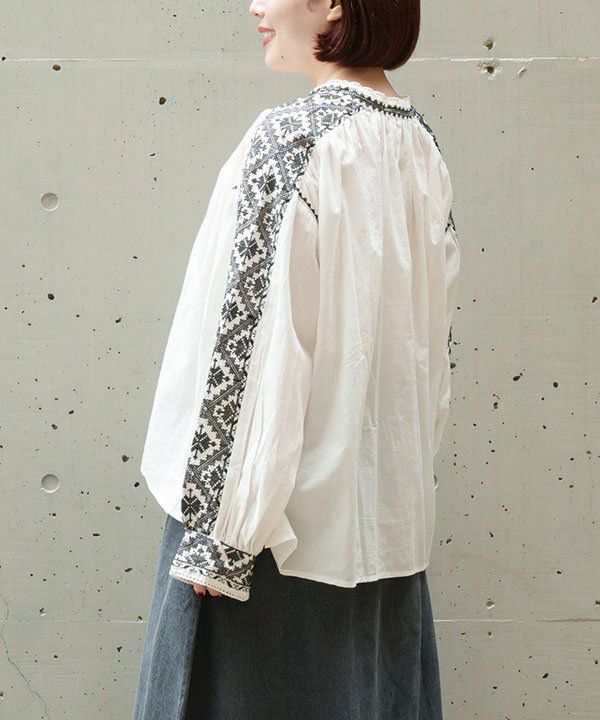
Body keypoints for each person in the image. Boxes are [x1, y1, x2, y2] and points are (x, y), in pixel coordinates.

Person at [132, 0, 461, 718]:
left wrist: (223, 538)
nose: (255, 5)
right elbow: (430, 361)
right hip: (385, 541)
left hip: (271, 551)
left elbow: (246, 344)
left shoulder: (290, 141)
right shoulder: (422, 150)